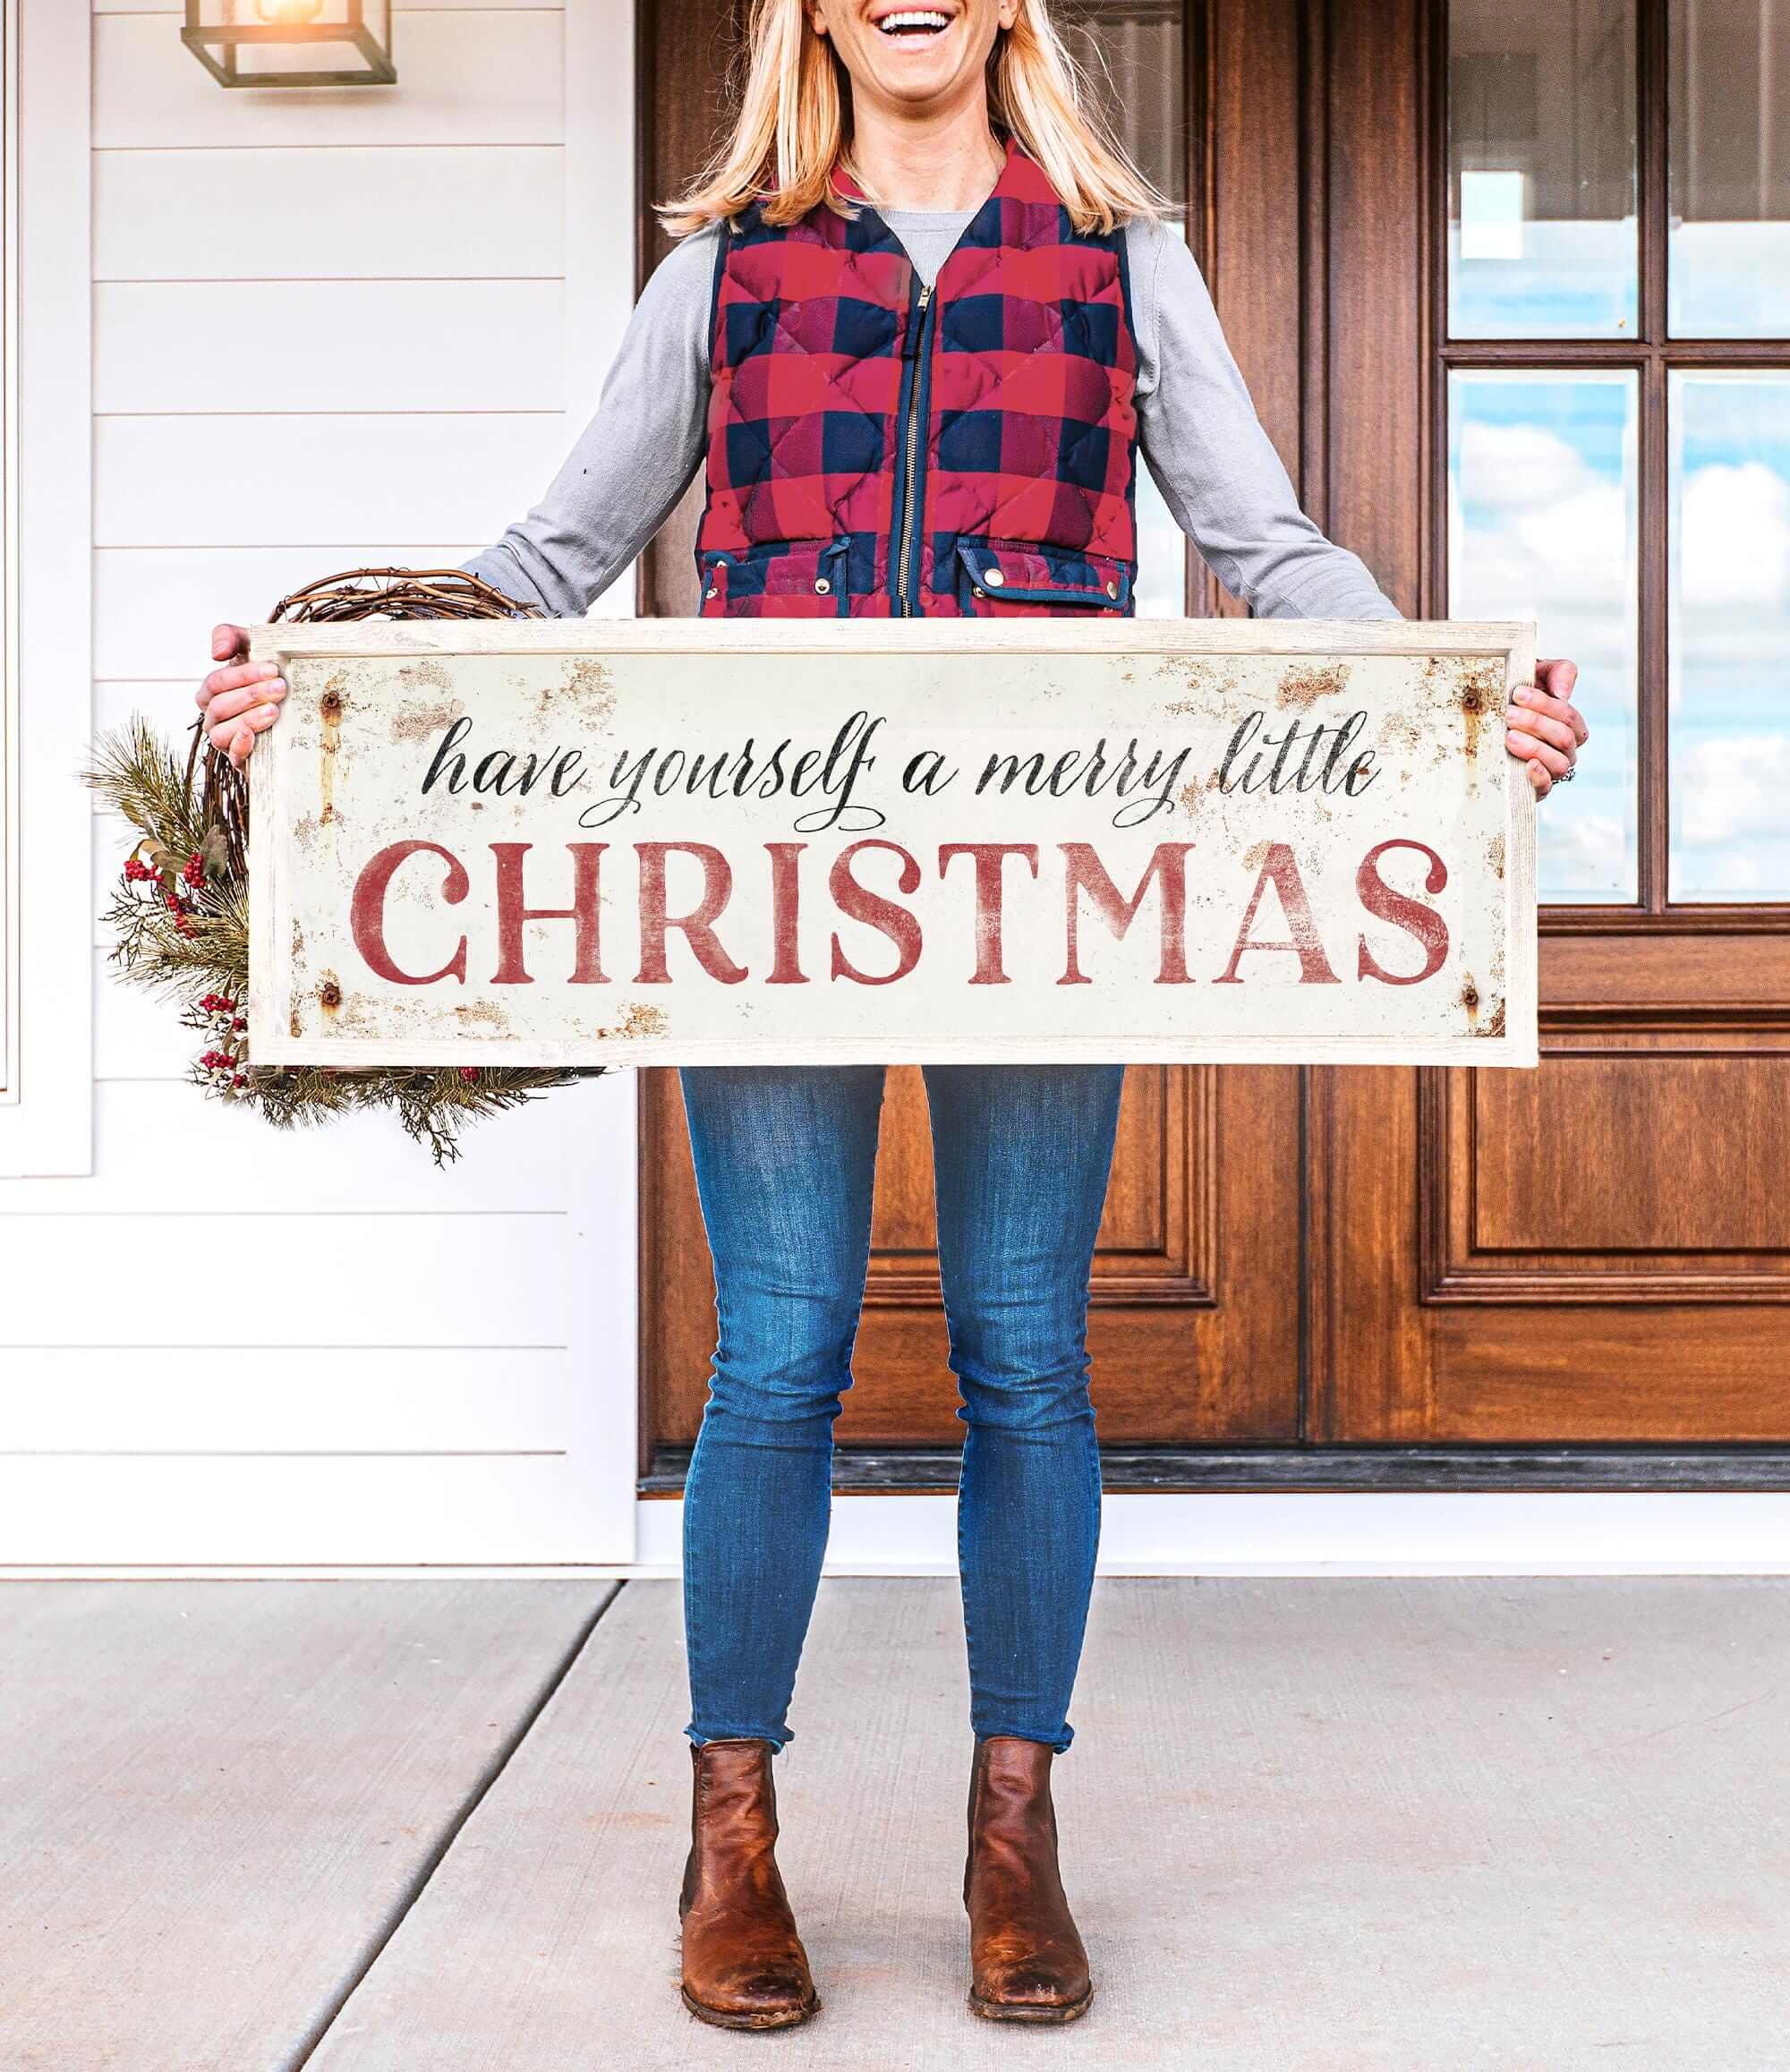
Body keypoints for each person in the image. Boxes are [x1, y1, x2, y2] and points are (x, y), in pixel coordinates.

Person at [196, 0, 1588, 2033]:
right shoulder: (724, 269)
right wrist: (320, 688)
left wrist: (1448, 721)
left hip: (1044, 875)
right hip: (764, 880)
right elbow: (550, 559)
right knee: (780, 1354)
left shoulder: (1121, 259)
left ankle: (1013, 1833)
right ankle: (730, 1832)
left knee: (1028, 1352)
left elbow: (1258, 547)